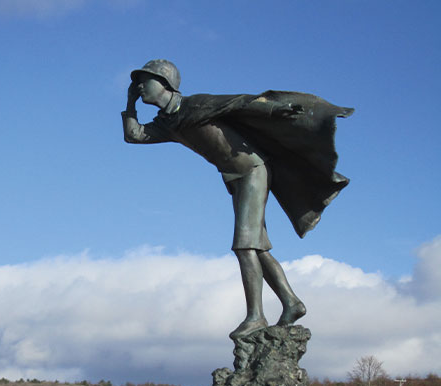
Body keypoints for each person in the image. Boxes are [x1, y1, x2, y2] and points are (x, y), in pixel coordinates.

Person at [122, 59, 353, 340]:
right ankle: (292, 302)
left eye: (145, 80)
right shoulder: (168, 122)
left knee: (244, 246)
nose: (139, 85)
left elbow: (240, 103)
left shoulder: (195, 105)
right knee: (257, 247)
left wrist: (276, 108)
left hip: (252, 171)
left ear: (165, 83)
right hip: (235, 176)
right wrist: (130, 104)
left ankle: (256, 317)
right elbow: (134, 136)